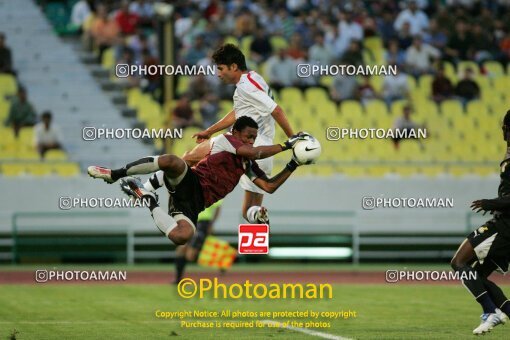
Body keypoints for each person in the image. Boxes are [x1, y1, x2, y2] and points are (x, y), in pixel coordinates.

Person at [87, 116, 307, 245]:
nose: (251, 140)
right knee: (172, 161)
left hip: (194, 205)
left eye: (254, 138)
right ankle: (115, 174)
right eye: (248, 136)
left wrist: (294, 163)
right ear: (235, 132)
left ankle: (144, 197)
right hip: (191, 181)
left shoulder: (247, 165)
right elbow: (256, 152)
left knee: (181, 237)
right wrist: (287, 145)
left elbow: (269, 186)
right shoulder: (227, 140)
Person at [189, 44, 295, 225]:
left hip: (240, 144)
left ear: (234, 67)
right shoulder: (254, 79)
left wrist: (294, 138)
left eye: (221, 69)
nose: (218, 74)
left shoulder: (246, 86)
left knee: (188, 158)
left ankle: (157, 189)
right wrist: (209, 131)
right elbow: (238, 113)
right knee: (248, 212)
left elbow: (276, 110)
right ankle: (258, 223)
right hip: (263, 150)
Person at [450, 110, 510, 335]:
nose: (502, 132)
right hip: (504, 224)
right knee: (478, 276)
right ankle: (495, 312)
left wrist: (491, 203)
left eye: (504, 127)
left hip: (505, 227)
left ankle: (490, 310)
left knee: (458, 263)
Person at [174, 200, 222, 284]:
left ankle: (219, 260)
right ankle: (178, 280)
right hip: (191, 222)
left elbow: (218, 208)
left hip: (203, 224)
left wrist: (211, 224)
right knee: (180, 250)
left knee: (190, 256)